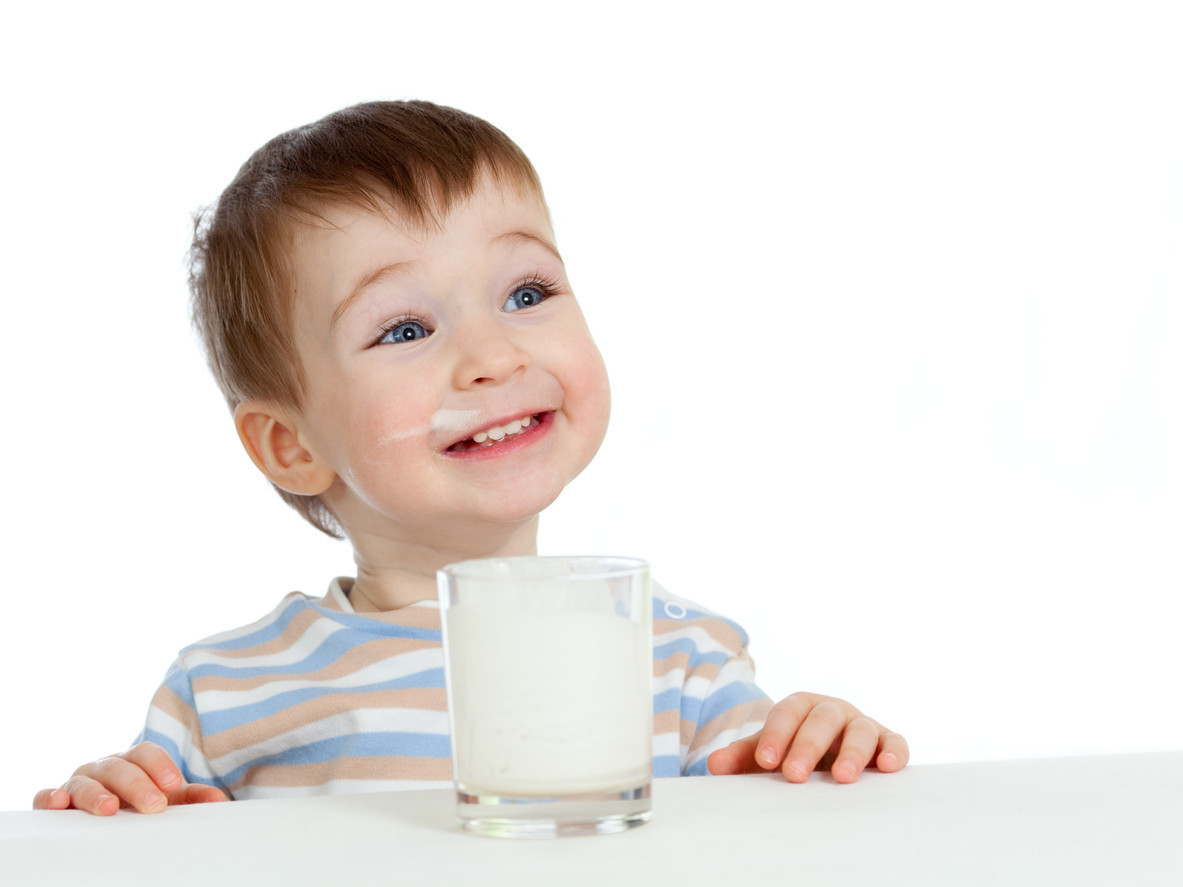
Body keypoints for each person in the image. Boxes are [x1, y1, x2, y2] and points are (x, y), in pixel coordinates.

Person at [33, 101, 908, 815]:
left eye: (526, 292)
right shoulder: (223, 695)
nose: (491, 355)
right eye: (404, 329)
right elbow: (148, 842)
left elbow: (773, 828)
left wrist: (819, 750)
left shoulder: (679, 661)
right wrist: (120, 807)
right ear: (291, 445)